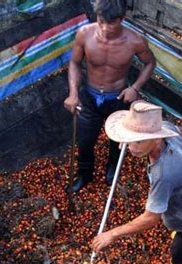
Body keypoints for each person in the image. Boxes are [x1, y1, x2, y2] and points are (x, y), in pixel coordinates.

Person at [91, 101, 182, 264]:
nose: (132, 147)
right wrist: (132, 138)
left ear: (157, 139)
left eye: (138, 141)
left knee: (180, 248)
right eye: (129, 139)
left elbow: (150, 218)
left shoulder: (163, 174)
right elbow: (180, 130)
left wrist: (112, 234)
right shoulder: (165, 129)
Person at [64, 0, 156, 193]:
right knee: (85, 141)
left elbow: (150, 63)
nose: (105, 28)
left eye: (111, 23)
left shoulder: (135, 41)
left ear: (122, 19)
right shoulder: (84, 34)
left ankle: (112, 169)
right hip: (90, 96)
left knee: (117, 140)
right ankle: (85, 174)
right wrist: (73, 93)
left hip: (118, 98)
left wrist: (135, 88)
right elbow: (74, 63)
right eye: (101, 21)